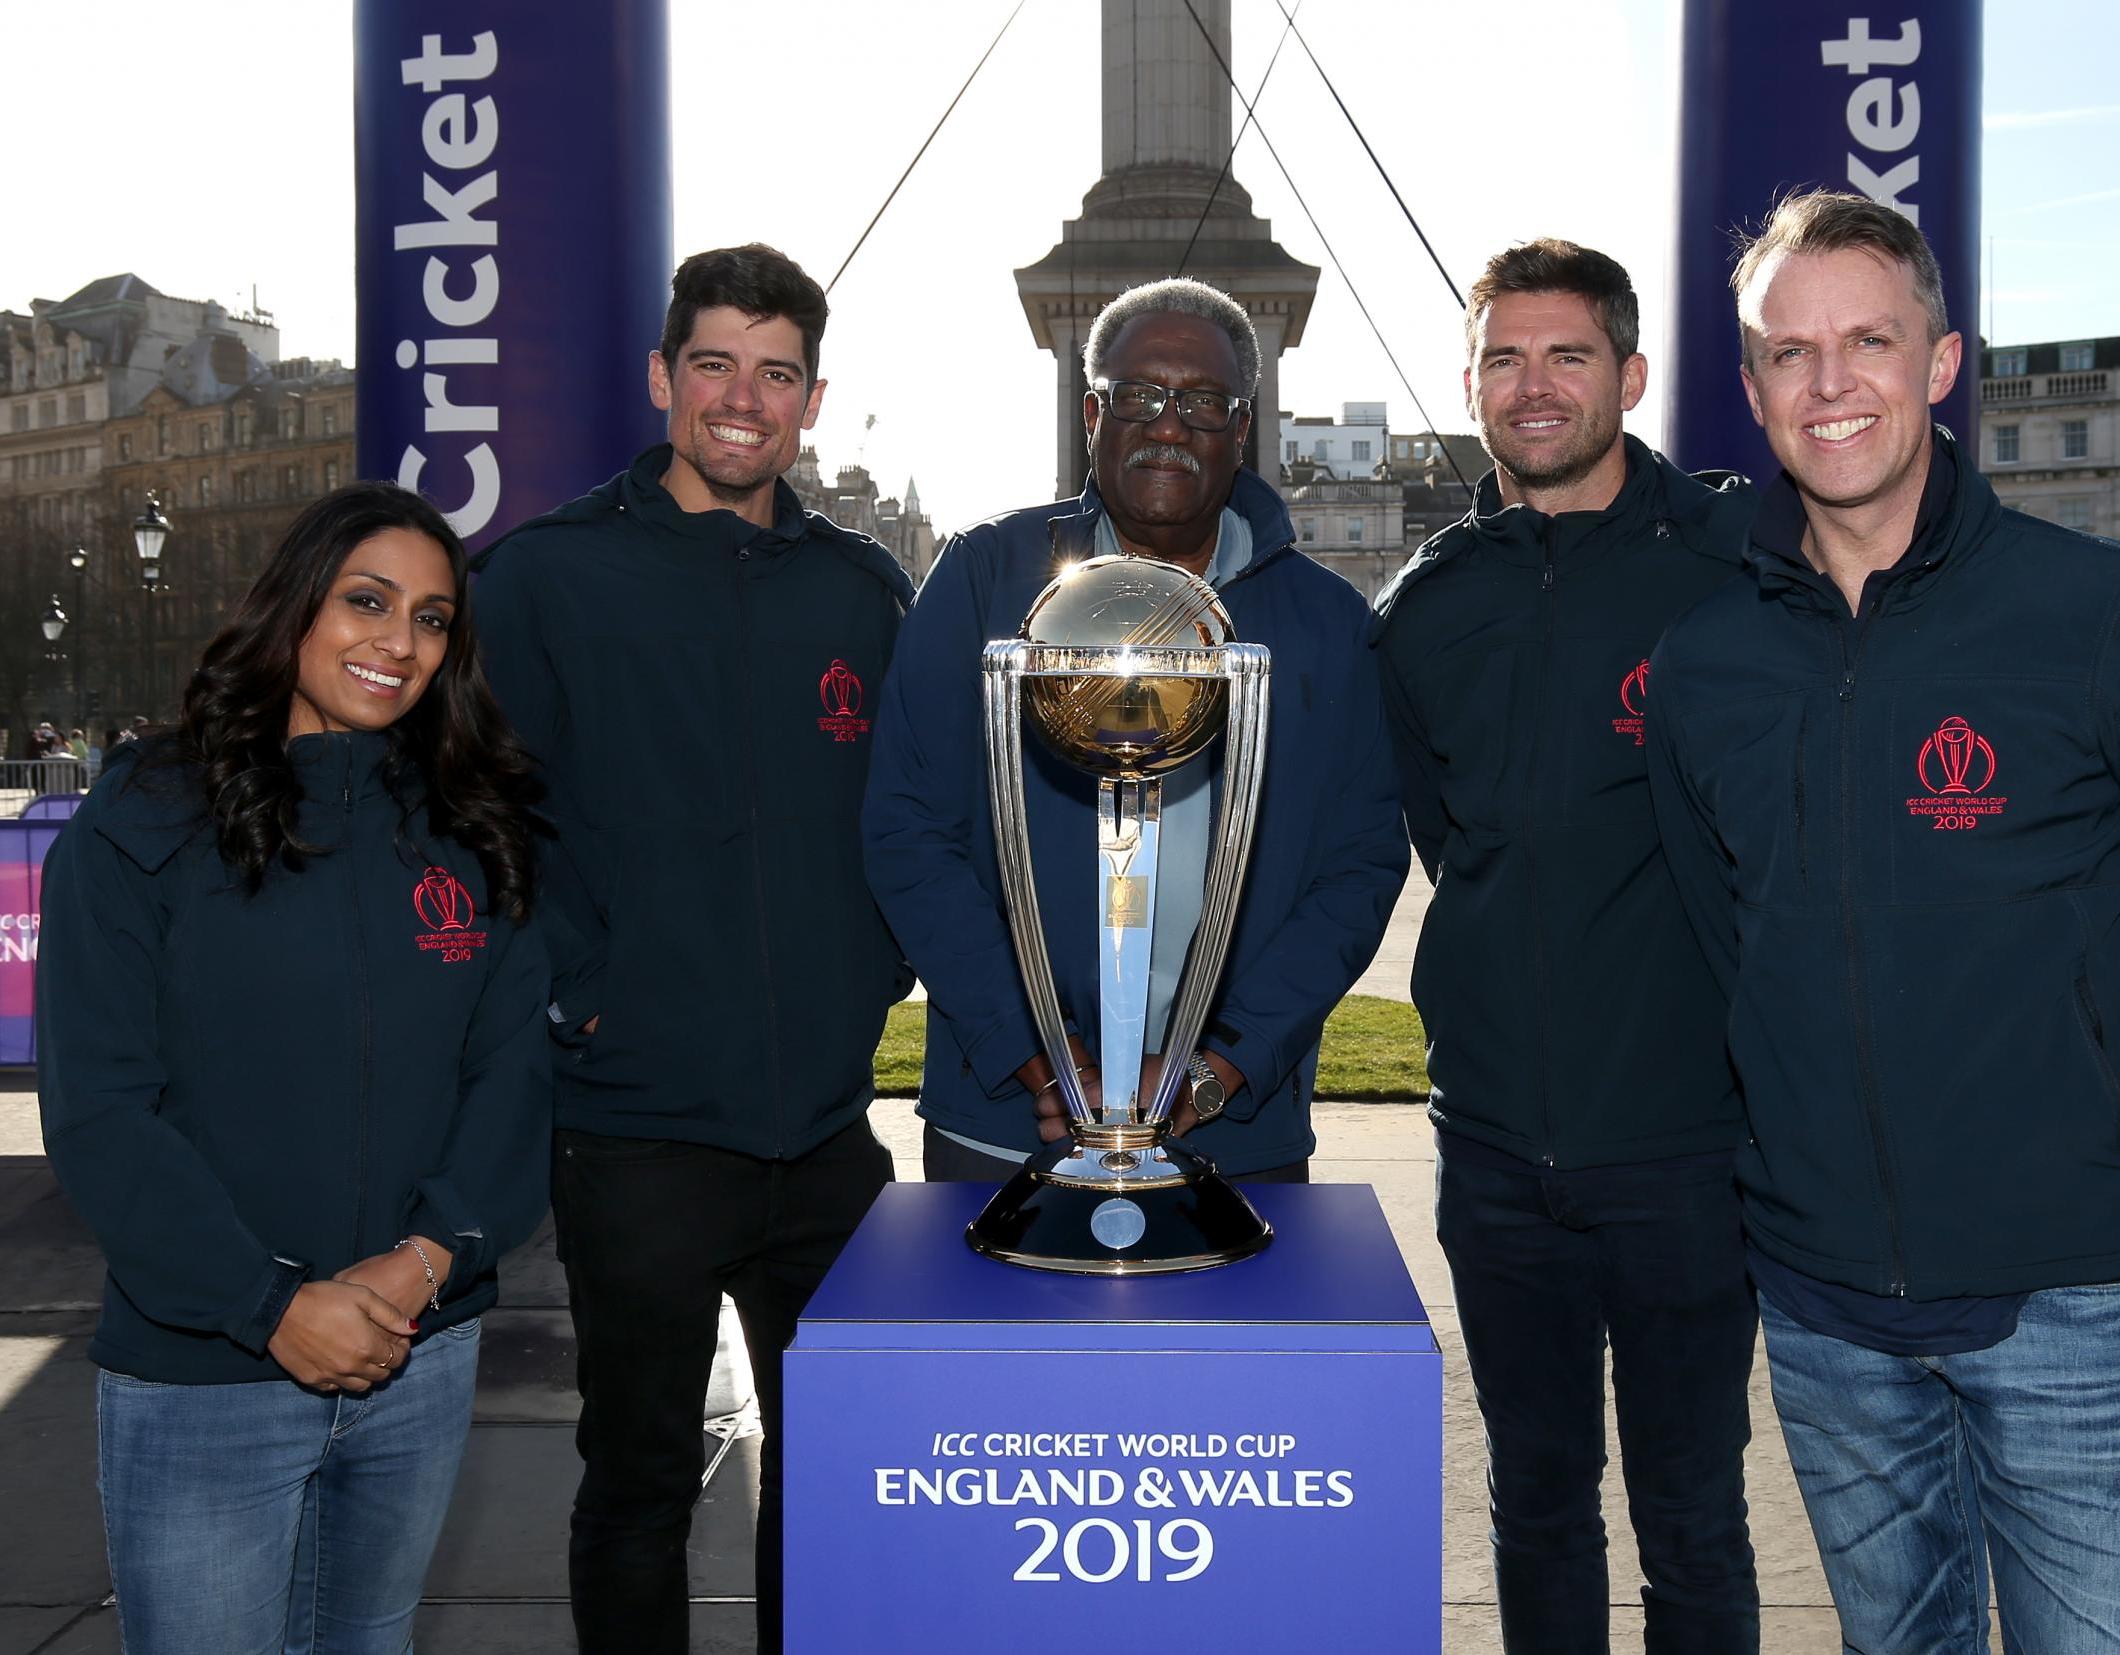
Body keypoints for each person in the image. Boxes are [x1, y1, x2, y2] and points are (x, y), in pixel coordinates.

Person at [1647, 188, 2120, 1652]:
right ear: (1751, 381)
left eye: (1868, 341)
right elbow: (1728, 950)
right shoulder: (1703, 666)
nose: (1829, 385)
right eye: (1788, 351)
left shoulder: (2108, 615)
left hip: (2068, 1293)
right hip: (1826, 1312)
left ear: (1941, 362)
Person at [470, 243, 911, 1655]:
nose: (743, 397)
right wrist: (580, 999)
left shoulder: (861, 590)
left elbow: (902, 819)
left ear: (813, 398)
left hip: (826, 1134)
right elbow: (483, 821)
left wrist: (871, 966)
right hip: (638, 1129)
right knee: (644, 1481)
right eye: (713, 362)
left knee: (839, 1478)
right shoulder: (545, 577)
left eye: (775, 372)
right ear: (664, 377)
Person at [36, 482, 552, 1653]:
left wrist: (428, 1258)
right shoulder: (146, 813)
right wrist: (269, 1303)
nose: (398, 641)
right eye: (367, 600)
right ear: (293, 604)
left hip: (419, 1354)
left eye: (431, 619)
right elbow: (103, 1110)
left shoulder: (473, 822)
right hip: (206, 1372)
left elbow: (512, 1078)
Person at [1370, 241, 1759, 1653]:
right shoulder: (1424, 602)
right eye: (1503, 359)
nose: (1533, 388)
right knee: (1534, 1501)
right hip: (1490, 1152)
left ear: (1631, 375)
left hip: (1683, 1149)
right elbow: (1443, 835)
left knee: (1692, 1514)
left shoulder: (1735, 566)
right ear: (1468, 382)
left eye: (1566, 355)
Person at [864, 276, 1405, 1183]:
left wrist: (1222, 1064)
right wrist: (1030, 1047)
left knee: (1224, 1335)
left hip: (1233, 1137)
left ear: (1243, 426)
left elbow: (1357, 866)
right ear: (1091, 413)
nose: (1168, 425)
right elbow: (909, 829)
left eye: (1203, 402)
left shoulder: (1327, 622)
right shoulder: (987, 579)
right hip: (1009, 1120)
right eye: (1139, 396)